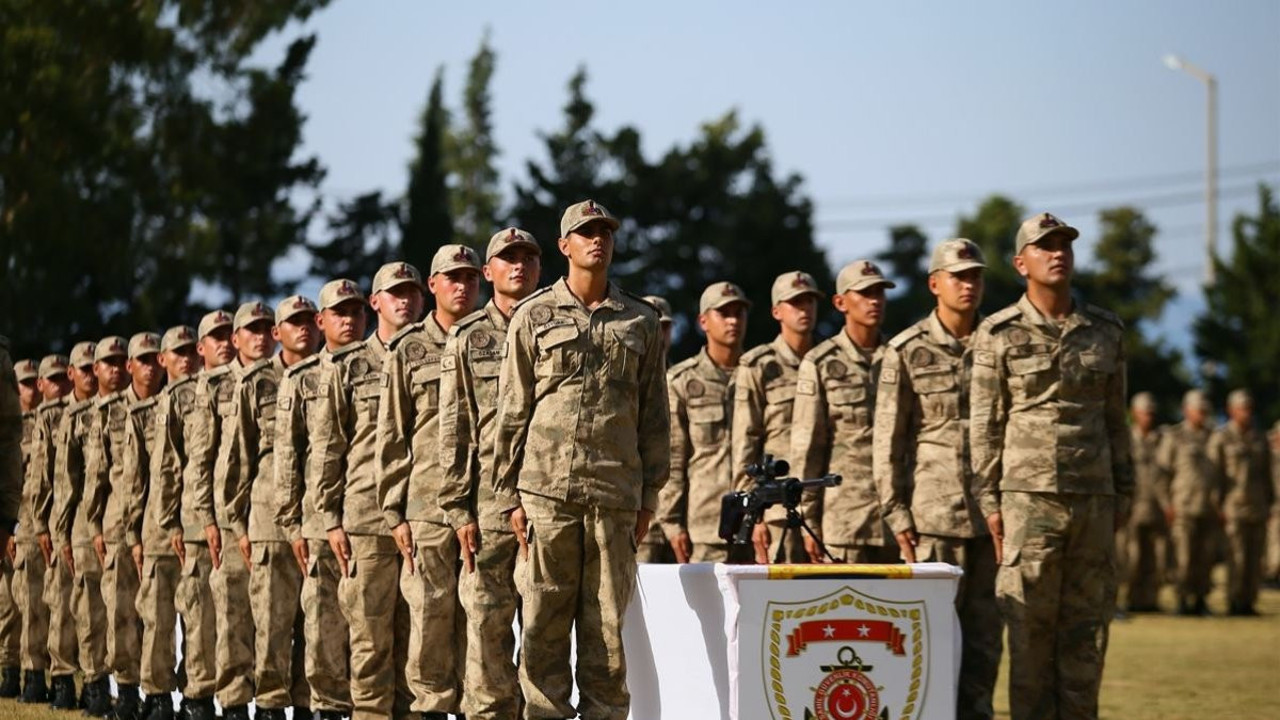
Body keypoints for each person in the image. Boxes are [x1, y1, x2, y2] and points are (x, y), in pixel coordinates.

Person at [493, 199, 669, 719]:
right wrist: (509, 496)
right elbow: (511, 411)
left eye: (606, 232)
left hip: (615, 498)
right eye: (586, 232)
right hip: (546, 497)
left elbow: (654, 417)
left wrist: (649, 497)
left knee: (607, 635)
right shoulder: (533, 315)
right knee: (543, 629)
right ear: (564, 246)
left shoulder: (640, 319)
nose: (598, 240)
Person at [970, 212, 1131, 720]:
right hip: (1027, 503)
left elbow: (1116, 421)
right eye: (1045, 246)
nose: (1058, 252)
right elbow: (985, 427)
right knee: (1030, 638)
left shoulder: (1105, 331)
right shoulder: (997, 333)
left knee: (1086, 638)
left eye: (1064, 244)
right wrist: (989, 503)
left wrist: (1124, 494)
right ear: (1022, 263)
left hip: (1093, 503)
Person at [874, 239, 1000, 719]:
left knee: (986, 646)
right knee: (932, 646)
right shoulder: (907, 350)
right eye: (958, 276)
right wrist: (897, 513)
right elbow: (888, 442)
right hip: (933, 519)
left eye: (975, 276)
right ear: (934, 284)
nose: (969, 285)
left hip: (992, 521)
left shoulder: (999, 341)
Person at [313, 262, 425, 720]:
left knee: (420, 638)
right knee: (370, 637)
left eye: (412, 293)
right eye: (394, 293)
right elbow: (328, 445)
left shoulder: (435, 355)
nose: (405, 300)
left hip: (422, 514)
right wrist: (330, 518)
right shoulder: (350, 365)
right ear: (375, 302)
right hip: (366, 518)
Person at [438, 227, 542, 719]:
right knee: (486, 634)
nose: (518, 265)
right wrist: (458, 508)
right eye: (507, 258)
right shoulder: (467, 338)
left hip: (548, 504)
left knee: (545, 636)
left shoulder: (557, 324)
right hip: (489, 509)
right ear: (489, 272)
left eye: (527, 257)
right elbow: (453, 429)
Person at [377, 245, 481, 718]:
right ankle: (433, 709)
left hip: (485, 503)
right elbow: (393, 436)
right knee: (431, 619)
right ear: (432, 287)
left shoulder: (496, 338)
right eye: (451, 278)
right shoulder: (409, 349)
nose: (462, 286)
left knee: (482, 620)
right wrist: (394, 511)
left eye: (469, 278)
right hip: (427, 507)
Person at [274, 280, 365, 720]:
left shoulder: (381, 367)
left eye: (355, 311)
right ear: (321, 321)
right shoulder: (301, 380)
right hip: (317, 521)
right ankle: (326, 708)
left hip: (371, 516)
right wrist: (291, 523)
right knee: (324, 622)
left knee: (371, 628)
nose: (349, 319)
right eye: (340, 312)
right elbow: (288, 457)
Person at [224, 297, 319, 718]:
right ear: (279, 333)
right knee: (273, 622)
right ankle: (270, 705)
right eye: (291, 324)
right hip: (267, 521)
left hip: (317, 516)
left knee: (317, 624)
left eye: (306, 322)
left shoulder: (328, 375)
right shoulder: (257, 383)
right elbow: (236, 459)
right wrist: (237, 524)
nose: (301, 330)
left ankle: (307, 703)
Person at [790, 260, 896, 564]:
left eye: (879, 293)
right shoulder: (820, 363)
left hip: (897, 522)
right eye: (864, 293)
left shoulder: (899, 357)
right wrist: (808, 519)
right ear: (840, 302)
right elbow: (807, 447)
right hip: (844, 521)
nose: (874, 301)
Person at [161, 310, 235, 720]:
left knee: (236, 617)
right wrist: (172, 521)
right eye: (216, 337)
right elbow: (173, 465)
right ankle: (198, 696)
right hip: (195, 523)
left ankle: (236, 698)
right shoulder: (184, 395)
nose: (224, 343)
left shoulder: (254, 383)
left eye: (229, 335)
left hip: (237, 520)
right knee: (200, 614)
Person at [89, 332, 165, 720]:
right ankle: (128, 689)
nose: (149, 366)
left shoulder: (172, 403)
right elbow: (97, 472)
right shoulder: (110, 412)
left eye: (155, 359)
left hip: (164, 524)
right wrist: (94, 525)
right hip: (119, 524)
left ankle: (158, 693)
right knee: (120, 613)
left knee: (157, 613)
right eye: (142, 360)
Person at [55, 336, 131, 716]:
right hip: (86, 524)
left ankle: (124, 685)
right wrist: (61, 530)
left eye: (121, 362)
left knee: (125, 610)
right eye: (104, 364)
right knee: (89, 609)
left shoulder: (134, 409)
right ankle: (96, 682)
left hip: (126, 522)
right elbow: (65, 478)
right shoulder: (77, 418)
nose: (114, 369)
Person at [127, 327, 198, 720]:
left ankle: (193, 695)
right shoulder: (145, 414)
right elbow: (135, 479)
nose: (186, 359)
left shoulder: (207, 398)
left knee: (198, 618)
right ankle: (155, 695)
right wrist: (134, 533)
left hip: (198, 526)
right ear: (163, 360)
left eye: (191, 352)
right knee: (157, 617)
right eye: (178, 353)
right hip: (157, 529)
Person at [732, 270, 822, 564]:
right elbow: (746, 442)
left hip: (826, 504)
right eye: (796, 302)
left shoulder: (828, 362)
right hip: (777, 509)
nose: (805, 309)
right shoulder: (758, 365)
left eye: (810, 301)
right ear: (777, 311)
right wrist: (752, 513)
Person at [658, 282, 751, 564]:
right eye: (724, 313)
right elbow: (673, 459)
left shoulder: (760, 374)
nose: (733, 320)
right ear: (703, 321)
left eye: (739, 312)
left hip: (758, 524)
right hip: (706, 526)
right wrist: (672, 523)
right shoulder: (683, 381)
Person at [41, 342, 96, 710]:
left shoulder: (114, 408)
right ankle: (61, 676)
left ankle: (97, 680)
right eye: (85, 369)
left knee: (97, 608)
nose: (92, 375)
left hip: (101, 522)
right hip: (68, 520)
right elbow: (53, 478)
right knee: (62, 603)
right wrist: (49, 527)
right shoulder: (58, 416)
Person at [13, 354, 70, 704]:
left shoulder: (69, 417)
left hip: (63, 521)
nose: (58, 385)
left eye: (64, 378)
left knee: (63, 604)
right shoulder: (17, 426)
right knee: (31, 602)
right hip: (30, 523)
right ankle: (32, 675)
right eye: (53, 379)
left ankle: (63, 677)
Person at [1208, 389, 1274, 616]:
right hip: (1233, 507)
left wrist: (1270, 503)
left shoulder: (1259, 437)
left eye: (1249, 408)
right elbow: (1214, 475)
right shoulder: (1221, 437)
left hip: (1257, 506)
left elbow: (1267, 475)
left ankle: (1249, 601)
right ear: (1231, 410)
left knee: (1255, 557)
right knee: (1236, 556)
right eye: (1241, 408)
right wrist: (1217, 505)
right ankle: (1234, 601)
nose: (1246, 413)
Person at [1158, 389, 1218, 616]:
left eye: (1205, 411)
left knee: (1205, 557)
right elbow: (1162, 474)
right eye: (1198, 410)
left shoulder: (1214, 436)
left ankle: (1201, 600)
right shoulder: (1175, 437)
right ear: (1186, 410)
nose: (1202, 415)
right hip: (1182, 506)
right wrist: (1166, 504)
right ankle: (1182, 599)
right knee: (1183, 557)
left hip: (1208, 506)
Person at [0, 358, 39, 697]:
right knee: (6, 605)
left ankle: (27, 672)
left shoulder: (45, 424)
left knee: (27, 603)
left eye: (31, 383)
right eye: (22, 384)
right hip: (11, 526)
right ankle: (9, 668)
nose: (28, 390)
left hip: (26, 526)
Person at [636, 296, 675, 564]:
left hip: (681, 517)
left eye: (665, 327)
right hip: (637, 512)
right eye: (653, 326)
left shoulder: (681, 379)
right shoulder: (626, 380)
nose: (658, 334)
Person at [1124, 392, 1167, 613]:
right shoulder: (1126, 439)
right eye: (1144, 413)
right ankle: (1133, 600)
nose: (1148, 417)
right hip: (1133, 508)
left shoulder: (1163, 439)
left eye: (1151, 413)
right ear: (1134, 414)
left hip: (1158, 508)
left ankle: (1151, 601)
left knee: (1157, 559)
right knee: (1134, 559)